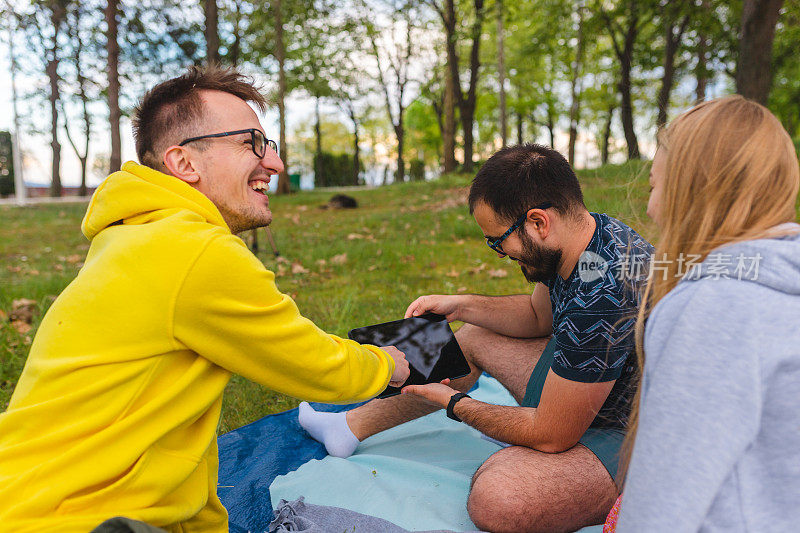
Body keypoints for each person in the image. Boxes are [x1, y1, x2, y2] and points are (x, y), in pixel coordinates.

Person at [0, 66, 409, 532]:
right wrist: (387, 364)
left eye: (269, 144)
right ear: (185, 163)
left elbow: (178, 440)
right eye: (250, 143)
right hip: (69, 518)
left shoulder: (134, 237)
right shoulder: (196, 251)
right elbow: (314, 362)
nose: (273, 164)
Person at [299, 144, 654, 532]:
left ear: (538, 223)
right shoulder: (583, 235)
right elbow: (538, 317)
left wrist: (455, 403)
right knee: (470, 338)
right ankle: (347, 429)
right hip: (591, 395)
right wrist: (463, 305)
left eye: (498, 241)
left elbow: (552, 435)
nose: (500, 254)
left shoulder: (605, 293)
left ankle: (597, 479)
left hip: (633, 434)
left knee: (497, 500)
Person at [617, 96, 800, 530]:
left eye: (655, 188)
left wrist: (454, 402)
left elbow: (660, 510)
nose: (649, 209)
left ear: (692, 194)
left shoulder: (713, 309)